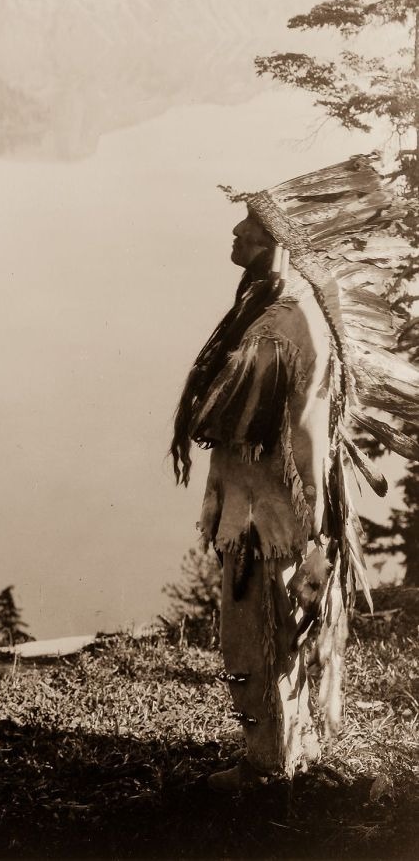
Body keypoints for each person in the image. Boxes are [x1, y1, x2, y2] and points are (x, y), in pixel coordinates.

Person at [170, 155, 418, 790]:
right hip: (279, 508)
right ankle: (288, 751)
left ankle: (267, 766)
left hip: (272, 514)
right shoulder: (284, 307)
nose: (234, 237)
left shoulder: (279, 327)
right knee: (280, 623)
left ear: (274, 243)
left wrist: (308, 530)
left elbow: (257, 422)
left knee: (259, 630)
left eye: (247, 227)